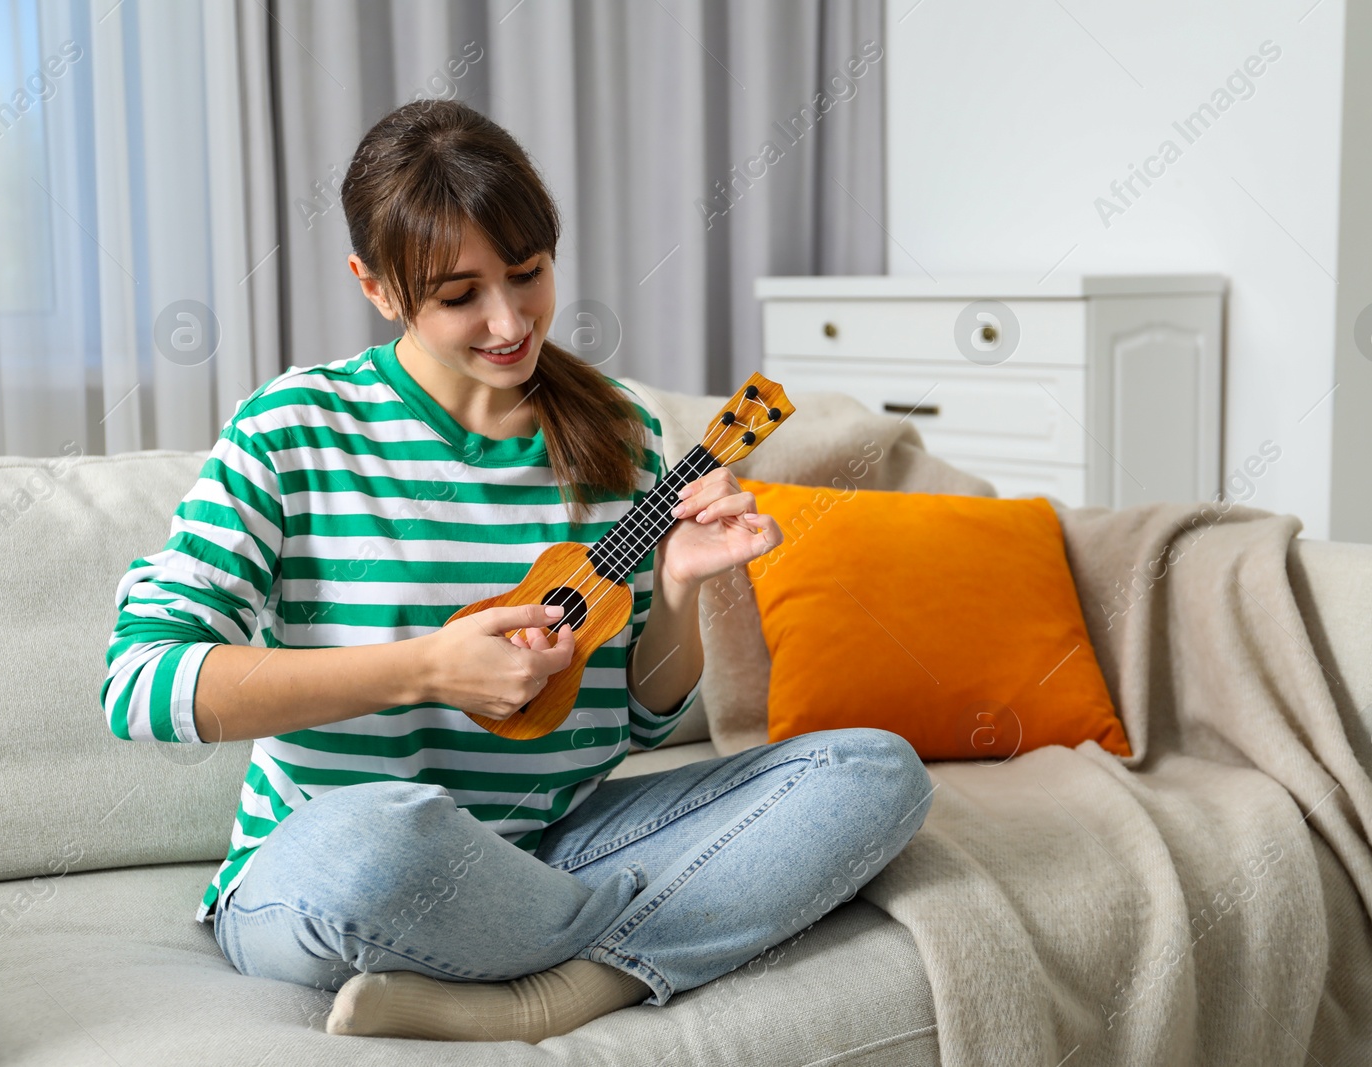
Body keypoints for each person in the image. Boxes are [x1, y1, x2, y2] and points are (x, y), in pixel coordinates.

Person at [101, 99, 933, 1044]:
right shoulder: (293, 429)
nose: (509, 321)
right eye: (460, 296)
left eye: (527, 275)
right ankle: (651, 933)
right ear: (377, 288)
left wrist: (680, 590)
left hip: (556, 844)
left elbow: (644, 718)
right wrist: (424, 667)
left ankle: (554, 988)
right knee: (378, 840)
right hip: (337, 863)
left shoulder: (621, 432)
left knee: (872, 769)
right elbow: (139, 684)